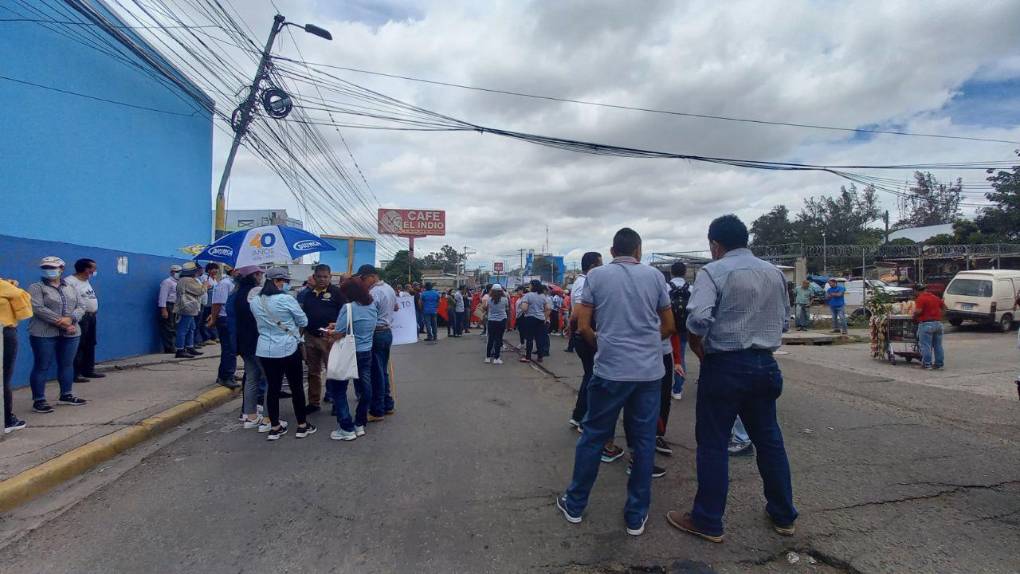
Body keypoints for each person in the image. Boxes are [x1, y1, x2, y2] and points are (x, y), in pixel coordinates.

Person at [666, 214, 797, 544]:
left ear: (715, 244)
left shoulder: (714, 271)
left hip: (725, 365)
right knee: (769, 441)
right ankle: (783, 515)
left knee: (713, 443)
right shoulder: (774, 273)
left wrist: (699, 349)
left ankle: (708, 519)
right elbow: (784, 323)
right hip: (766, 366)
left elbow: (697, 319)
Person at [556, 228, 675, 537]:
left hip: (610, 371)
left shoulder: (596, 277)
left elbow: (583, 325)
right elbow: (669, 325)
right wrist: (647, 345)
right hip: (648, 373)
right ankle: (636, 516)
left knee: (594, 436)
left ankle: (575, 504)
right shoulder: (655, 278)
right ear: (638, 250)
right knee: (645, 439)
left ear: (612, 251)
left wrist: (604, 345)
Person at [250, 267, 315, 441]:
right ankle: (302, 425)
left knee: (273, 388)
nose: (286, 284)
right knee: (296, 387)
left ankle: (275, 427)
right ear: (278, 281)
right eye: (284, 281)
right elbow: (303, 321)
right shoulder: (286, 299)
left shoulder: (255, 301)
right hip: (288, 347)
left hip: (265, 349)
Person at [28, 256, 89, 413]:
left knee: (67, 364)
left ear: (61, 269)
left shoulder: (70, 286)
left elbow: (81, 306)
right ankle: (39, 400)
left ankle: (66, 394)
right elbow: (38, 308)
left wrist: (71, 319)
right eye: (46, 267)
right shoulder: (36, 287)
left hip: (71, 332)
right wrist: (61, 322)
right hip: (44, 332)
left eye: (53, 267)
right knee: (42, 365)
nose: (49, 270)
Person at [327, 277, 376, 441]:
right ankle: (360, 423)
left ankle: (346, 427)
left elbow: (339, 333)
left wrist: (329, 331)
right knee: (366, 388)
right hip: (366, 351)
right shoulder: (372, 306)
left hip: (348, 352)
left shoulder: (348, 307)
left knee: (339, 389)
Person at [297, 264, 347, 413]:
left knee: (334, 371)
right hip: (310, 337)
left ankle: (337, 403)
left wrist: (338, 330)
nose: (322, 279)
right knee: (313, 372)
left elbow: (345, 315)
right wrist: (300, 338)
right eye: (319, 276)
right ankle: (314, 402)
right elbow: (303, 317)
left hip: (329, 339)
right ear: (314, 277)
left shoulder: (337, 293)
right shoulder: (308, 294)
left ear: (330, 277)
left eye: (325, 277)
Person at [358, 265, 397, 420]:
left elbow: (368, 314)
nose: (362, 282)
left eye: (363, 278)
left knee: (376, 373)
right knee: (382, 370)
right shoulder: (389, 288)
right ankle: (387, 404)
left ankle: (377, 410)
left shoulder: (374, 292)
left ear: (372, 276)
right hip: (386, 332)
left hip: (377, 333)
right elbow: (395, 306)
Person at [233, 267, 267, 430]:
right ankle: (268, 417)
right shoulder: (256, 292)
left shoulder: (238, 292)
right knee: (269, 379)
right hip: (258, 340)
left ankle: (249, 415)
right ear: (254, 276)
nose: (261, 276)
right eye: (259, 273)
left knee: (252, 377)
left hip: (244, 341)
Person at [65, 258, 104, 382]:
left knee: (90, 343)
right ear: (86, 269)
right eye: (93, 268)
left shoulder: (86, 281)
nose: (95, 271)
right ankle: (75, 374)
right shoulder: (70, 282)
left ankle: (88, 370)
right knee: (79, 344)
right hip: (80, 317)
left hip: (91, 316)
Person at [1, 276, 32, 432]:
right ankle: (6, 420)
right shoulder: (3, 286)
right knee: (4, 377)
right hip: (5, 333)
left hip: (5, 332)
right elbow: (23, 297)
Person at [207, 266, 240, 389]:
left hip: (233, 319)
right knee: (229, 348)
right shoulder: (224, 284)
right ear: (233, 271)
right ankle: (225, 377)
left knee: (233, 349)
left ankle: (229, 373)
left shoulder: (234, 283)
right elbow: (217, 303)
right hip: (224, 319)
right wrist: (214, 319)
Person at [174, 262, 206, 359]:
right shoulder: (188, 280)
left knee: (191, 327)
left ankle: (189, 346)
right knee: (184, 329)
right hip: (187, 307)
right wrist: (205, 285)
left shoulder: (183, 279)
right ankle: (180, 349)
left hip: (188, 307)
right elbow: (200, 291)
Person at [668, 262, 690, 401]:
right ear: (685, 272)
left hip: (666, 327)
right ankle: (677, 389)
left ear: (671, 272)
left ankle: (662, 385)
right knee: (680, 356)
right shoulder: (691, 288)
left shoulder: (665, 287)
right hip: (683, 328)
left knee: (663, 356)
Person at [913, 284, 946, 370]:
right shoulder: (935, 297)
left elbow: (919, 311)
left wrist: (914, 315)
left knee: (926, 345)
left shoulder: (920, 298)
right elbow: (944, 307)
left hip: (926, 324)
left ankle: (927, 364)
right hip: (938, 324)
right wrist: (940, 316)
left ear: (917, 291)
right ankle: (939, 363)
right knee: (938, 345)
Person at [518, 280, 550, 363]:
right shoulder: (543, 296)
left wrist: (522, 308)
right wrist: (545, 318)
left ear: (532, 286)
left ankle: (528, 357)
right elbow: (548, 308)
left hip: (530, 319)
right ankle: (540, 357)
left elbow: (524, 308)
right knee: (539, 338)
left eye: (530, 285)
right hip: (540, 319)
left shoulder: (528, 295)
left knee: (529, 338)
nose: (529, 286)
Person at [158, 265, 182, 353]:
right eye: (176, 272)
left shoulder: (179, 282)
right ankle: (169, 347)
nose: (177, 274)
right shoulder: (167, 282)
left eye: (179, 272)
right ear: (171, 272)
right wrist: (163, 309)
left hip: (177, 305)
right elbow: (162, 296)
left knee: (175, 327)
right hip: (169, 305)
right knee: (168, 327)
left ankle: (174, 345)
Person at [483, 283, 508, 364]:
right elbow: (507, 308)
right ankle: (497, 358)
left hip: (491, 321)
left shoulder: (489, 299)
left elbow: (486, 308)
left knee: (490, 339)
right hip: (501, 321)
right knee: (498, 339)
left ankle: (487, 357)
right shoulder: (505, 299)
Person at [197, 263, 220, 345]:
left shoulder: (214, 279)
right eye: (214, 269)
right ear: (209, 270)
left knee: (211, 320)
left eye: (217, 269)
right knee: (204, 320)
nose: (216, 270)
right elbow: (203, 288)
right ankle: (205, 338)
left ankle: (213, 336)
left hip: (212, 302)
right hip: (206, 302)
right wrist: (207, 287)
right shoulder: (204, 277)